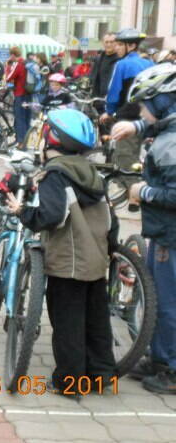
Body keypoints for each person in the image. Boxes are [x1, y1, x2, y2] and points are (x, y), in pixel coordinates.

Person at [6, 109, 116, 395]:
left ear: (51, 138)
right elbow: (112, 219)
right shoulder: (92, 172)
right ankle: (102, 374)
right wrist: (110, 250)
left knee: (68, 322)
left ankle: (69, 382)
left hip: (68, 260)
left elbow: (51, 216)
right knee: (96, 319)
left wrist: (23, 212)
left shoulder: (55, 174)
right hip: (95, 259)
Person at [110, 63, 176, 394]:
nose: (141, 113)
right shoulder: (167, 127)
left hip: (171, 234)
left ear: (162, 101)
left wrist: (143, 191)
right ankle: (159, 358)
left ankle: (172, 369)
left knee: (167, 302)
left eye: (144, 106)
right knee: (155, 296)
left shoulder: (172, 144)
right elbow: (157, 123)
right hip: (162, 230)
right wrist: (134, 126)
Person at [99, 28, 154, 172]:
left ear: (131, 46)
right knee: (138, 156)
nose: (116, 47)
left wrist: (109, 112)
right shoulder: (150, 64)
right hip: (147, 118)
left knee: (125, 162)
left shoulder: (122, 64)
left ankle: (129, 185)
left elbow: (114, 93)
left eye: (119, 44)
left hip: (127, 117)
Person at [6, 46, 31, 146]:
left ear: (12, 55)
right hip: (28, 93)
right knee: (26, 118)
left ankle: (20, 142)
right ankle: (26, 140)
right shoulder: (26, 63)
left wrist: (7, 66)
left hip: (20, 94)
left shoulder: (18, 64)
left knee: (19, 118)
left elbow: (8, 77)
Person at [90, 33, 120, 111]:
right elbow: (94, 78)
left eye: (111, 42)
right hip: (98, 101)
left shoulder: (121, 59)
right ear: (103, 43)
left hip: (114, 102)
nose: (109, 44)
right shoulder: (99, 59)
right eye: (106, 42)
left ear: (117, 43)